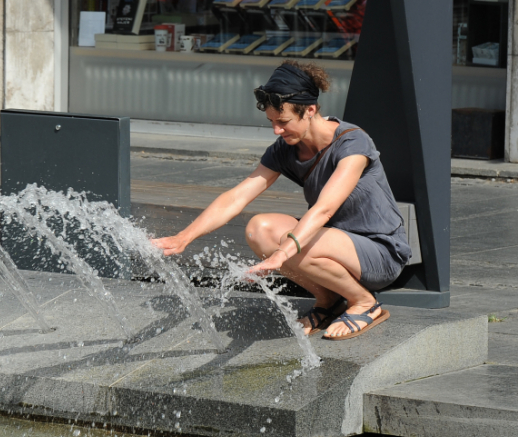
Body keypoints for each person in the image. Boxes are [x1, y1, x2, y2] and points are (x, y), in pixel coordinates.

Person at [152, 60, 411, 340]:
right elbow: (237, 197)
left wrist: (282, 253)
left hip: (380, 252)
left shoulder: (353, 143)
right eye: (272, 122)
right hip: (332, 243)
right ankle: (328, 301)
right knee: (259, 229)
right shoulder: (286, 148)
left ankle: (364, 303)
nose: (276, 130)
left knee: (293, 241)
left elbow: (324, 209)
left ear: (310, 110)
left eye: (283, 122)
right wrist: (184, 237)